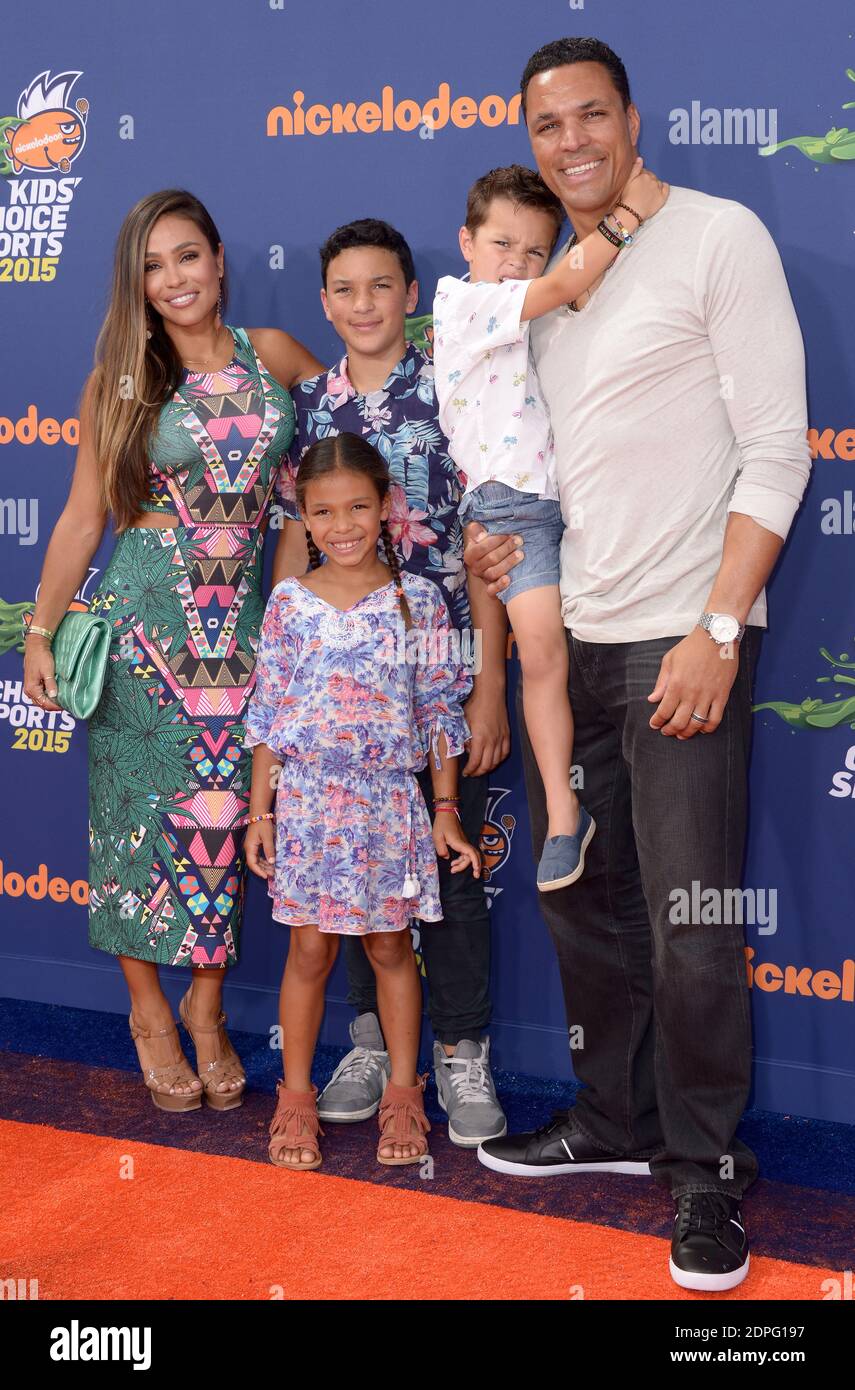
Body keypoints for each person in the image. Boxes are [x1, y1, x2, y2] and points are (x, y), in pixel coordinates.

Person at [466, 38, 811, 1292]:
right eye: (547, 126)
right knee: (584, 906)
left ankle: (707, 1165)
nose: (569, 143)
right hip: (577, 646)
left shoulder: (720, 238)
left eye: (590, 116)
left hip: (684, 639)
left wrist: (722, 626)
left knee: (691, 926)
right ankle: (616, 1121)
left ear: (632, 117)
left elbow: (778, 451)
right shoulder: (552, 284)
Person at [22, 188, 323, 1112]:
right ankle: (148, 1013)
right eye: (153, 267)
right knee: (133, 825)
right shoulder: (123, 378)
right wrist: (40, 628)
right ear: (137, 284)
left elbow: (341, 456)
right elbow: (82, 517)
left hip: (242, 631)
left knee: (220, 826)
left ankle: (205, 1010)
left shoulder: (271, 357)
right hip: (144, 627)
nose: (174, 279)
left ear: (220, 259)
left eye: (187, 256)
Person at [272, 219, 510, 1147]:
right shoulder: (315, 409)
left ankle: (459, 1051)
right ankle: (371, 1044)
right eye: (343, 289)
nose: (362, 304)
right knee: (351, 874)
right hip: (338, 684)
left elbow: (483, 541)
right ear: (324, 302)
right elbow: (296, 541)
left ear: (413, 295)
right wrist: (292, 650)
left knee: (445, 872)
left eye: (381, 286)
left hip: (435, 665)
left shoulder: (451, 390)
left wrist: (487, 681)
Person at [244, 433, 480, 1168]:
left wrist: (445, 810)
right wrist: (261, 813)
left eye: (356, 507)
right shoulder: (287, 604)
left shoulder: (421, 602)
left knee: (390, 949)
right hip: (308, 805)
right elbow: (268, 718)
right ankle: (293, 1101)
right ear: (304, 519)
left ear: (385, 509)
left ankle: (403, 1095)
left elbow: (442, 714)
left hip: (388, 806)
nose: (341, 525)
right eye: (322, 512)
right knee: (308, 949)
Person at [433, 159, 666, 890]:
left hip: (577, 507)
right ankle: (564, 818)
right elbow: (568, 282)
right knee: (542, 658)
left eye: (534, 250)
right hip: (511, 513)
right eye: (502, 244)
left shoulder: (526, 311)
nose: (517, 264)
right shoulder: (462, 303)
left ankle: (577, 813)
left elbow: (573, 294)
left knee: (569, 659)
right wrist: (627, 215)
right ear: (465, 243)